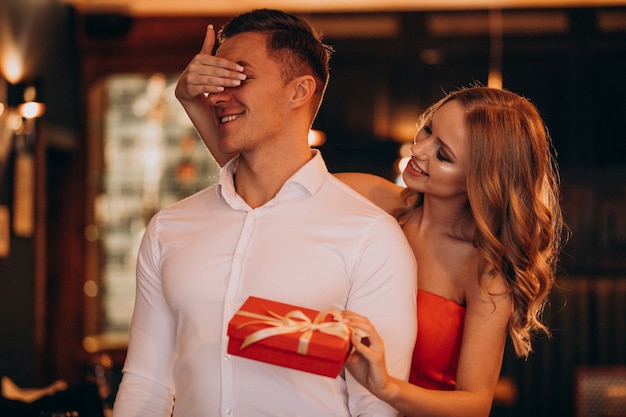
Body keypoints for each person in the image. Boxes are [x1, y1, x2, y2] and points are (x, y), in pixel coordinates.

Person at [177, 34, 566, 415]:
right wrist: (192, 103)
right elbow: (264, 181)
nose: (418, 150)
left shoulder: (484, 271)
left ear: (481, 179)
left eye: (443, 154)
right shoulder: (377, 202)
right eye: (428, 130)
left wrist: (387, 388)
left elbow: (475, 403)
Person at [113, 9, 417, 417]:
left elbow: (376, 407)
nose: (218, 95)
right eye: (215, 78)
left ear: (299, 91)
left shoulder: (370, 237)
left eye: (239, 76)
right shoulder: (170, 228)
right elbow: (145, 384)